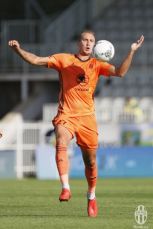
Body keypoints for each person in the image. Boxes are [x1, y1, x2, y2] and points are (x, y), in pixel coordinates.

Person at [8, 31, 144, 217]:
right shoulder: (64, 60)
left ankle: (91, 195)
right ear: (79, 43)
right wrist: (18, 50)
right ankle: (65, 187)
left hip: (87, 118)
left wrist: (132, 51)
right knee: (61, 140)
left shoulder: (97, 65)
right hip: (67, 114)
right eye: (85, 40)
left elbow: (120, 72)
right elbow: (35, 60)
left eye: (91, 41)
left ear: (95, 45)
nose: (88, 43)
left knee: (91, 161)